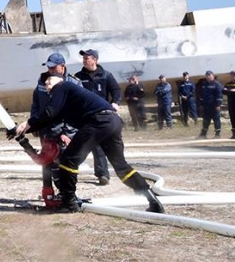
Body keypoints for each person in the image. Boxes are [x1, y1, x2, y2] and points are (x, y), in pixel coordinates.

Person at [11, 74, 165, 214]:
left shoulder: (63, 86)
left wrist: (28, 122)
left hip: (98, 121)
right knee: (121, 165)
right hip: (112, 120)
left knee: (69, 159)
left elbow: (49, 112)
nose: (47, 85)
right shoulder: (66, 99)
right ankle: (152, 200)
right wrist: (20, 130)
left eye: (49, 81)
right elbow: (50, 119)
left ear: (59, 80)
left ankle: (68, 203)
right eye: (45, 84)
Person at [30, 53, 81, 204]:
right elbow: (36, 104)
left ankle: (67, 195)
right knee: (46, 161)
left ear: (62, 66)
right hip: (46, 129)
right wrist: (34, 124)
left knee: (64, 162)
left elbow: (77, 110)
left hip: (65, 131)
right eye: (48, 67)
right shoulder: (42, 81)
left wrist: (67, 133)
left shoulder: (73, 83)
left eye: (53, 67)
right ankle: (49, 192)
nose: (50, 70)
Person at [74, 49, 121, 186]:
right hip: (86, 115)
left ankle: (106, 173)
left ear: (95, 60)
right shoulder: (78, 77)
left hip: (103, 115)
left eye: (87, 58)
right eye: (84, 58)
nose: (84, 60)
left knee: (103, 145)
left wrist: (115, 102)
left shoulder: (105, 75)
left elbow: (116, 90)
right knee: (87, 144)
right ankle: (69, 170)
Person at [197, 70, 223, 139]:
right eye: (207, 76)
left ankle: (217, 134)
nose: (208, 77)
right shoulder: (204, 84)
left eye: (209, 75)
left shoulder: (217, 84)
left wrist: (218, 105)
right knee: (205, 120)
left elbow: (219, 95)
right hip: (206, 106)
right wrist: (202, 104)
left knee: (216, 120)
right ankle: (203, 134)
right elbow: (202, 95)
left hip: (214, 106)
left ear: (212, 76)